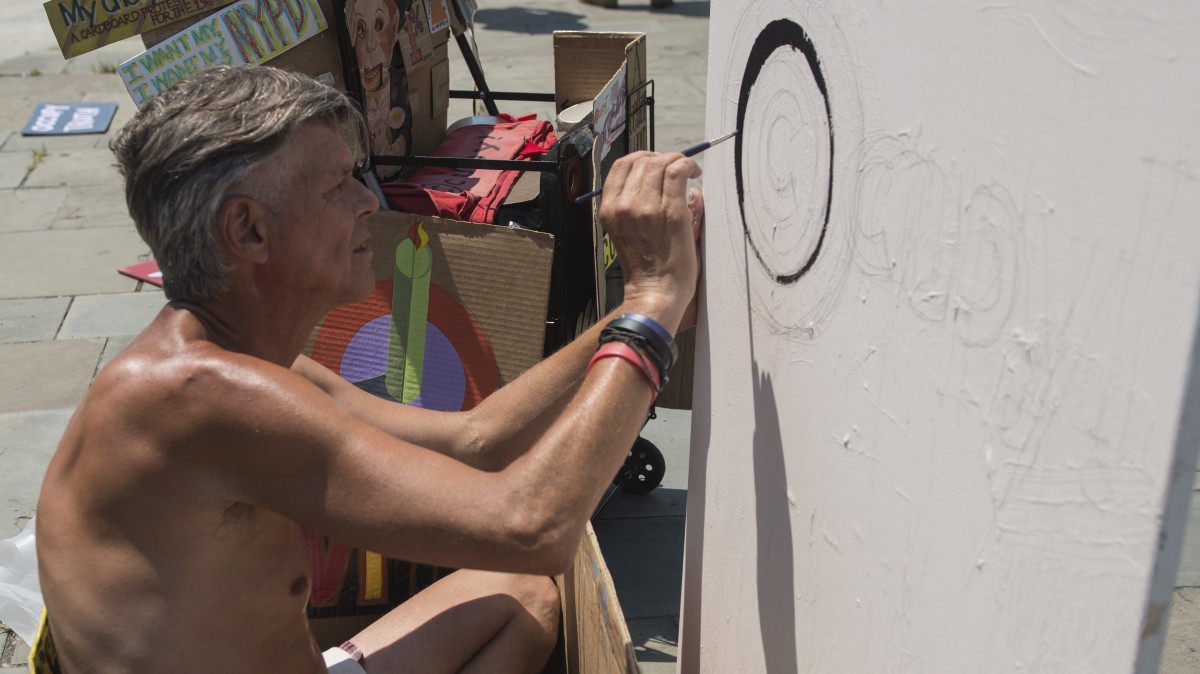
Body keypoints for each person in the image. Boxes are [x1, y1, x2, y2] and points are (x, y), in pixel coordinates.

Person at [33, 65, 704, 674]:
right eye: (339, 183)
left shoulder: (242, 365)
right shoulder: (201, 395)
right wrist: (650, 303)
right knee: (523, 569)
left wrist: (638, 318)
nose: (368, 203)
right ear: (250, 232)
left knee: (516, 597)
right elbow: (533, 527)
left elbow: (475, 440)